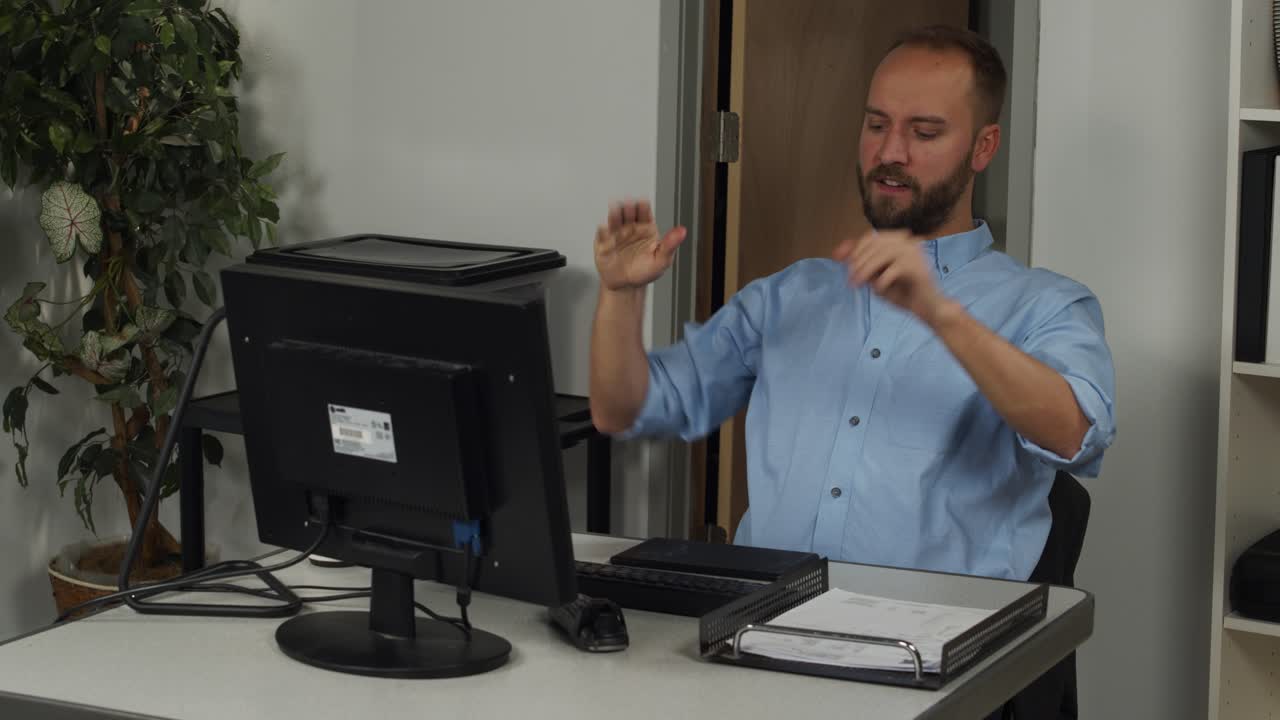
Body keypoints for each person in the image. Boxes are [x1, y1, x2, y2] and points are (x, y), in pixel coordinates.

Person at [588, 25, 1116, 583]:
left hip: (936, 648)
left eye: (925, 132)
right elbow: (621, 410)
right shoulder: (787, 296)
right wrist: (621, 295)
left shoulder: (1046, 305)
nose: (890, 152)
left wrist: (939, 314)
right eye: (876, 124)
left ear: (983, 147)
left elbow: (1075, 434)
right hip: (763, 626)